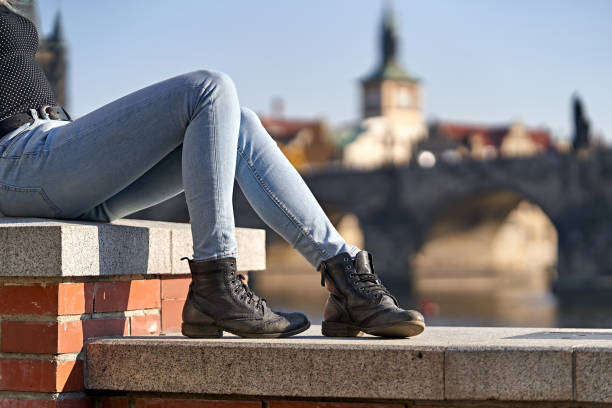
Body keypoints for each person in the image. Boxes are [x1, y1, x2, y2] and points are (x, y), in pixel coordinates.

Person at [0, 0, 425, 338]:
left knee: (239, 121)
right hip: (19, 160)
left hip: (51, 155)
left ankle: (345, 276)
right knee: (208, 88)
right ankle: (215, 282)